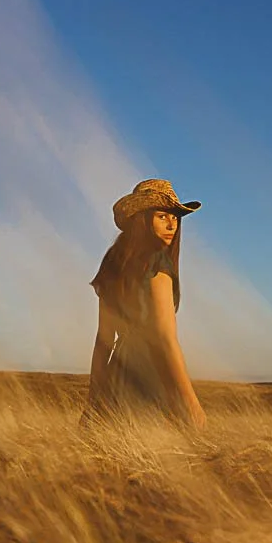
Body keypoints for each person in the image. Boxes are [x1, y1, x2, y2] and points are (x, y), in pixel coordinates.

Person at [87, 179, 208, 429]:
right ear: (142, 219)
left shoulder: (112, 264)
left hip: (117, 374)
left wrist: (94, 401)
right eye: (162, 216)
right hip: (151, 372)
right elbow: (165, 337)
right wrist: (192, 404)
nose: (171, 224)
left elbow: (104, 340)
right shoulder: (157, 262)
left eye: (175, 217)